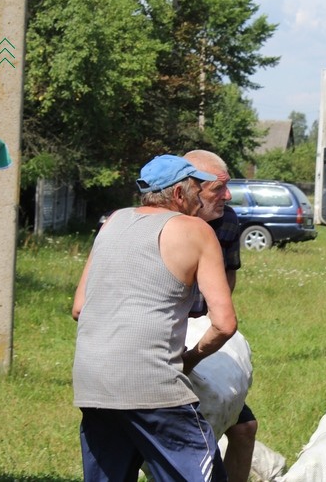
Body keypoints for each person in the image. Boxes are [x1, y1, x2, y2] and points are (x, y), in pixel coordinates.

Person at [71, 154, 238, 481]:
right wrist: (189, 360)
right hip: (153, 387)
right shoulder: (195, 230)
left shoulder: (113, 220)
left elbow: (79, 307)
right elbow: (224, 323)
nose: (200, 195)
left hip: (92, 384)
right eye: (196, 186)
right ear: (178, 194)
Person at [183, 150, 258, 482]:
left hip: (204, 333)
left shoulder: (227, 220)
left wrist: (214, 312)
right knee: (187, 446)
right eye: (218, 189)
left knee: (245, 429)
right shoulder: (165, 224)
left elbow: (228, 274)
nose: (228, 196)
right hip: (164, 340)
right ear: (190, 190)